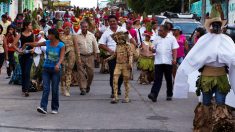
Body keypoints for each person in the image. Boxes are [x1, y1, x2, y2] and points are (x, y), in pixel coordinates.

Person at [173, 7, 235, 131]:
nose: (216, 27)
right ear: (210, 25)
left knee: (220, 103)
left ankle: (218, 127)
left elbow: (233, 57)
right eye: (214, 24)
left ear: (221, 26)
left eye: (218, 24)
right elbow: (193, 57)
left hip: (221, 78)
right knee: (206, 104)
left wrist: (228, 59)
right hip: (206, 78)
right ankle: (205, 127)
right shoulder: (204, 40)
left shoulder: (227, 40)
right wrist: (185, 70)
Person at [25, 28, 65, 114]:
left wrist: (58, 64)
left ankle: (55, 108)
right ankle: (43, 107)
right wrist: (27, 43)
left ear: (54, 35)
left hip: (56, 70)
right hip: (46, 69)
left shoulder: (61, 45)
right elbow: (37, 44)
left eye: (49, 34)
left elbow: (62, 57)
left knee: (54, 89)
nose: (48, 36)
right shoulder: (47, 42)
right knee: (46, 88)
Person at [99, 15, 136, 98]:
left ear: (116, 21)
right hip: (112, 56)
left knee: (122, 74)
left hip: (124, 56)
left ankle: (118, 88)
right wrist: (109, 50)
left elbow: (130, 39)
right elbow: (101, 44)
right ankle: (113, 91)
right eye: (110, 21)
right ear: (108, 23)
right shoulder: (106, 32)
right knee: (113, 74)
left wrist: (135, 45)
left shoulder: (122, 30)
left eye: (114, 21)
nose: (112, 23)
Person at [148, 25, 179, 102]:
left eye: (160, 30)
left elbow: (174, 49)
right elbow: (153, 48)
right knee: (157, 79)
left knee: (168, 79)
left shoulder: (172, 38)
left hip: (168, 62)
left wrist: (174, 59)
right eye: (159, 30)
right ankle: (153, 94)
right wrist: (152, 49)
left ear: (165, 31)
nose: (159, 32)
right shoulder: (156, 38)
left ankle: (169, 94)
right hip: (158, 62)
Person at [104, 31, 133, 103]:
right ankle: (115, 97)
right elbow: (115, 55)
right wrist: (107, 59)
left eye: (119, 38)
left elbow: (130, 55)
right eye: (117, 39)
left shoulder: (127, 45)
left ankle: (126, 97)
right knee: (115, 80)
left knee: (126, 81)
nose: (118, 40)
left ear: (123, 38)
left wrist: (130, 63)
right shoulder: (117, 46)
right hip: (118, 65)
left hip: (125, 65)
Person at [76, 21, 100, 95]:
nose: (84, 28)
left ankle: (88, 85)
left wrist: (97, 55)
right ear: (81, 27)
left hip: (90, 56)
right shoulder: (77, 36)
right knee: (81, 74)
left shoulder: (91, 35)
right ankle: (82, 88)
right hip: (80, 56)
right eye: (83, 27)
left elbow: (95, 45)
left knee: (91, 73)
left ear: (87, 27)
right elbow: (75, 47)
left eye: (86, 27)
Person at [12, 21, 34, 97]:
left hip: (30, 55)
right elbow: (13, 45)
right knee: (24, 72)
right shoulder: (20, 35)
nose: (31, 26)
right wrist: (19, 50)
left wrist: (34, 49)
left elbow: (34, 44)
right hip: (22, 56)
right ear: (26, 26)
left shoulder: (32, 34)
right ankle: (24, 88)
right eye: (30, 25)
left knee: (27, 72)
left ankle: (26, 90)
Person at [60, 22, 77, 97]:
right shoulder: (60, 36)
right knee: (63, 72)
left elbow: (76, 47)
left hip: (72, 55)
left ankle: (67, 89)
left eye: (69, 28)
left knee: (69, 71)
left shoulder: (73, 36)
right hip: (62, 55)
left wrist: (78, 57)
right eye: (66, 28)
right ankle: (62, 86)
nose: (67, 30)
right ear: (63, 28)